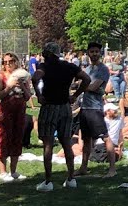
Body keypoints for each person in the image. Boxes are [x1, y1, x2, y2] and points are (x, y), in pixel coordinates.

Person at [33, 42, 92, 191]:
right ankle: (71, 178)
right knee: (66, 142)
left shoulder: (44, 66)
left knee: (48, 144)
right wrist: (76, 95)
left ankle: (48, 181)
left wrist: (39, 95)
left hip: (49, 107)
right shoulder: (69, 66)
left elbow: (35, 78)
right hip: (65, 107)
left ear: (47, 54)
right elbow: (86, 79)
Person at [77, 42, 117, 178]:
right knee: (86, 139)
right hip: (84, 108)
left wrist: (81, 86)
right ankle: (83, 167)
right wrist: (82, 86)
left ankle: (112, 169)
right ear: (87, 53)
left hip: (95, 108)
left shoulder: (103, 69)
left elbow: (94, 87)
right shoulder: (87, 70)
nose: (94, 54)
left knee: (105, 138)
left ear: (100, 53)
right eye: (92, 51)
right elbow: (80, 84)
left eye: (96, 51)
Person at [0, 52, 32, 183]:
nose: (8, 64)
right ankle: (2, 172)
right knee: (4, 139)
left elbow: (28, 96)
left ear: (16, 61)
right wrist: (9, 87)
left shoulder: (23, 76)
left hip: (19, 111)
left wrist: (22, 87)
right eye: (5, 62)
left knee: (17, 139)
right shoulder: (0, 76)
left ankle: (13, 171)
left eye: (11, 61)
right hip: (6, 111)